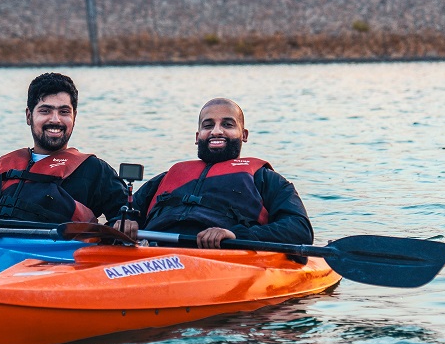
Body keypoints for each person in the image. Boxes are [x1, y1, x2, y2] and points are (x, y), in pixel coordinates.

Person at [120, 98, 313, 248]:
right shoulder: (165, 178)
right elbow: (122, 216)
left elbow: (299, 229)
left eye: (228, 124)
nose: (216, 131)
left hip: (221, 255)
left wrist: (236, 235)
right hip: (153, 252)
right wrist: (125, 224)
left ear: (244, 135)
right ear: (198, 137)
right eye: (208, 125)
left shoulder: (265, 179)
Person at [0, 72, 128, 223]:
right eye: (45, 111)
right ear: (29, 116)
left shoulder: (95, 171)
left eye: (64, 112)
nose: (55, 120)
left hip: (54, 256)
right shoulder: (1, 168)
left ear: (74, 117)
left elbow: (128, 217)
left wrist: (123, 224)